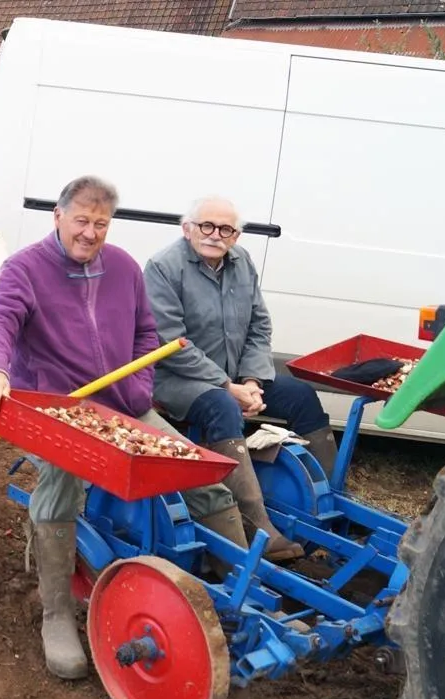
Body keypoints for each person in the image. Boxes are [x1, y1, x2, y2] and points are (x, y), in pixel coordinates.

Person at [0, 176, 243, 681]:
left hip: (123, 408)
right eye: (81, 220)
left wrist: (137, 388)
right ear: (58, 216)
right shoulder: (25, 269)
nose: (91, 233)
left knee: (194, 468)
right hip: (56, 410)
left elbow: (146, 333)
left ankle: (242, 592)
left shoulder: (123, 267)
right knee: (61, 481)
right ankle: (56, 614)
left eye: (101, 223)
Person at [144, 196, 338, 562]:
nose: (215, 235)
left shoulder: (242, 262)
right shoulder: (163, 267)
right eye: (206, 226)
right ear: (187, 228)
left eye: (226, 229)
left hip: (236, 376)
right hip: (175, 378)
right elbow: (170, 342)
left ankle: (328, 504)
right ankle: (256, 524)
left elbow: (259, 325)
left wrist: (251, 381)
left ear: (236, 236)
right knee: (222, 407)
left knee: (301, 396)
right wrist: (226, 386)